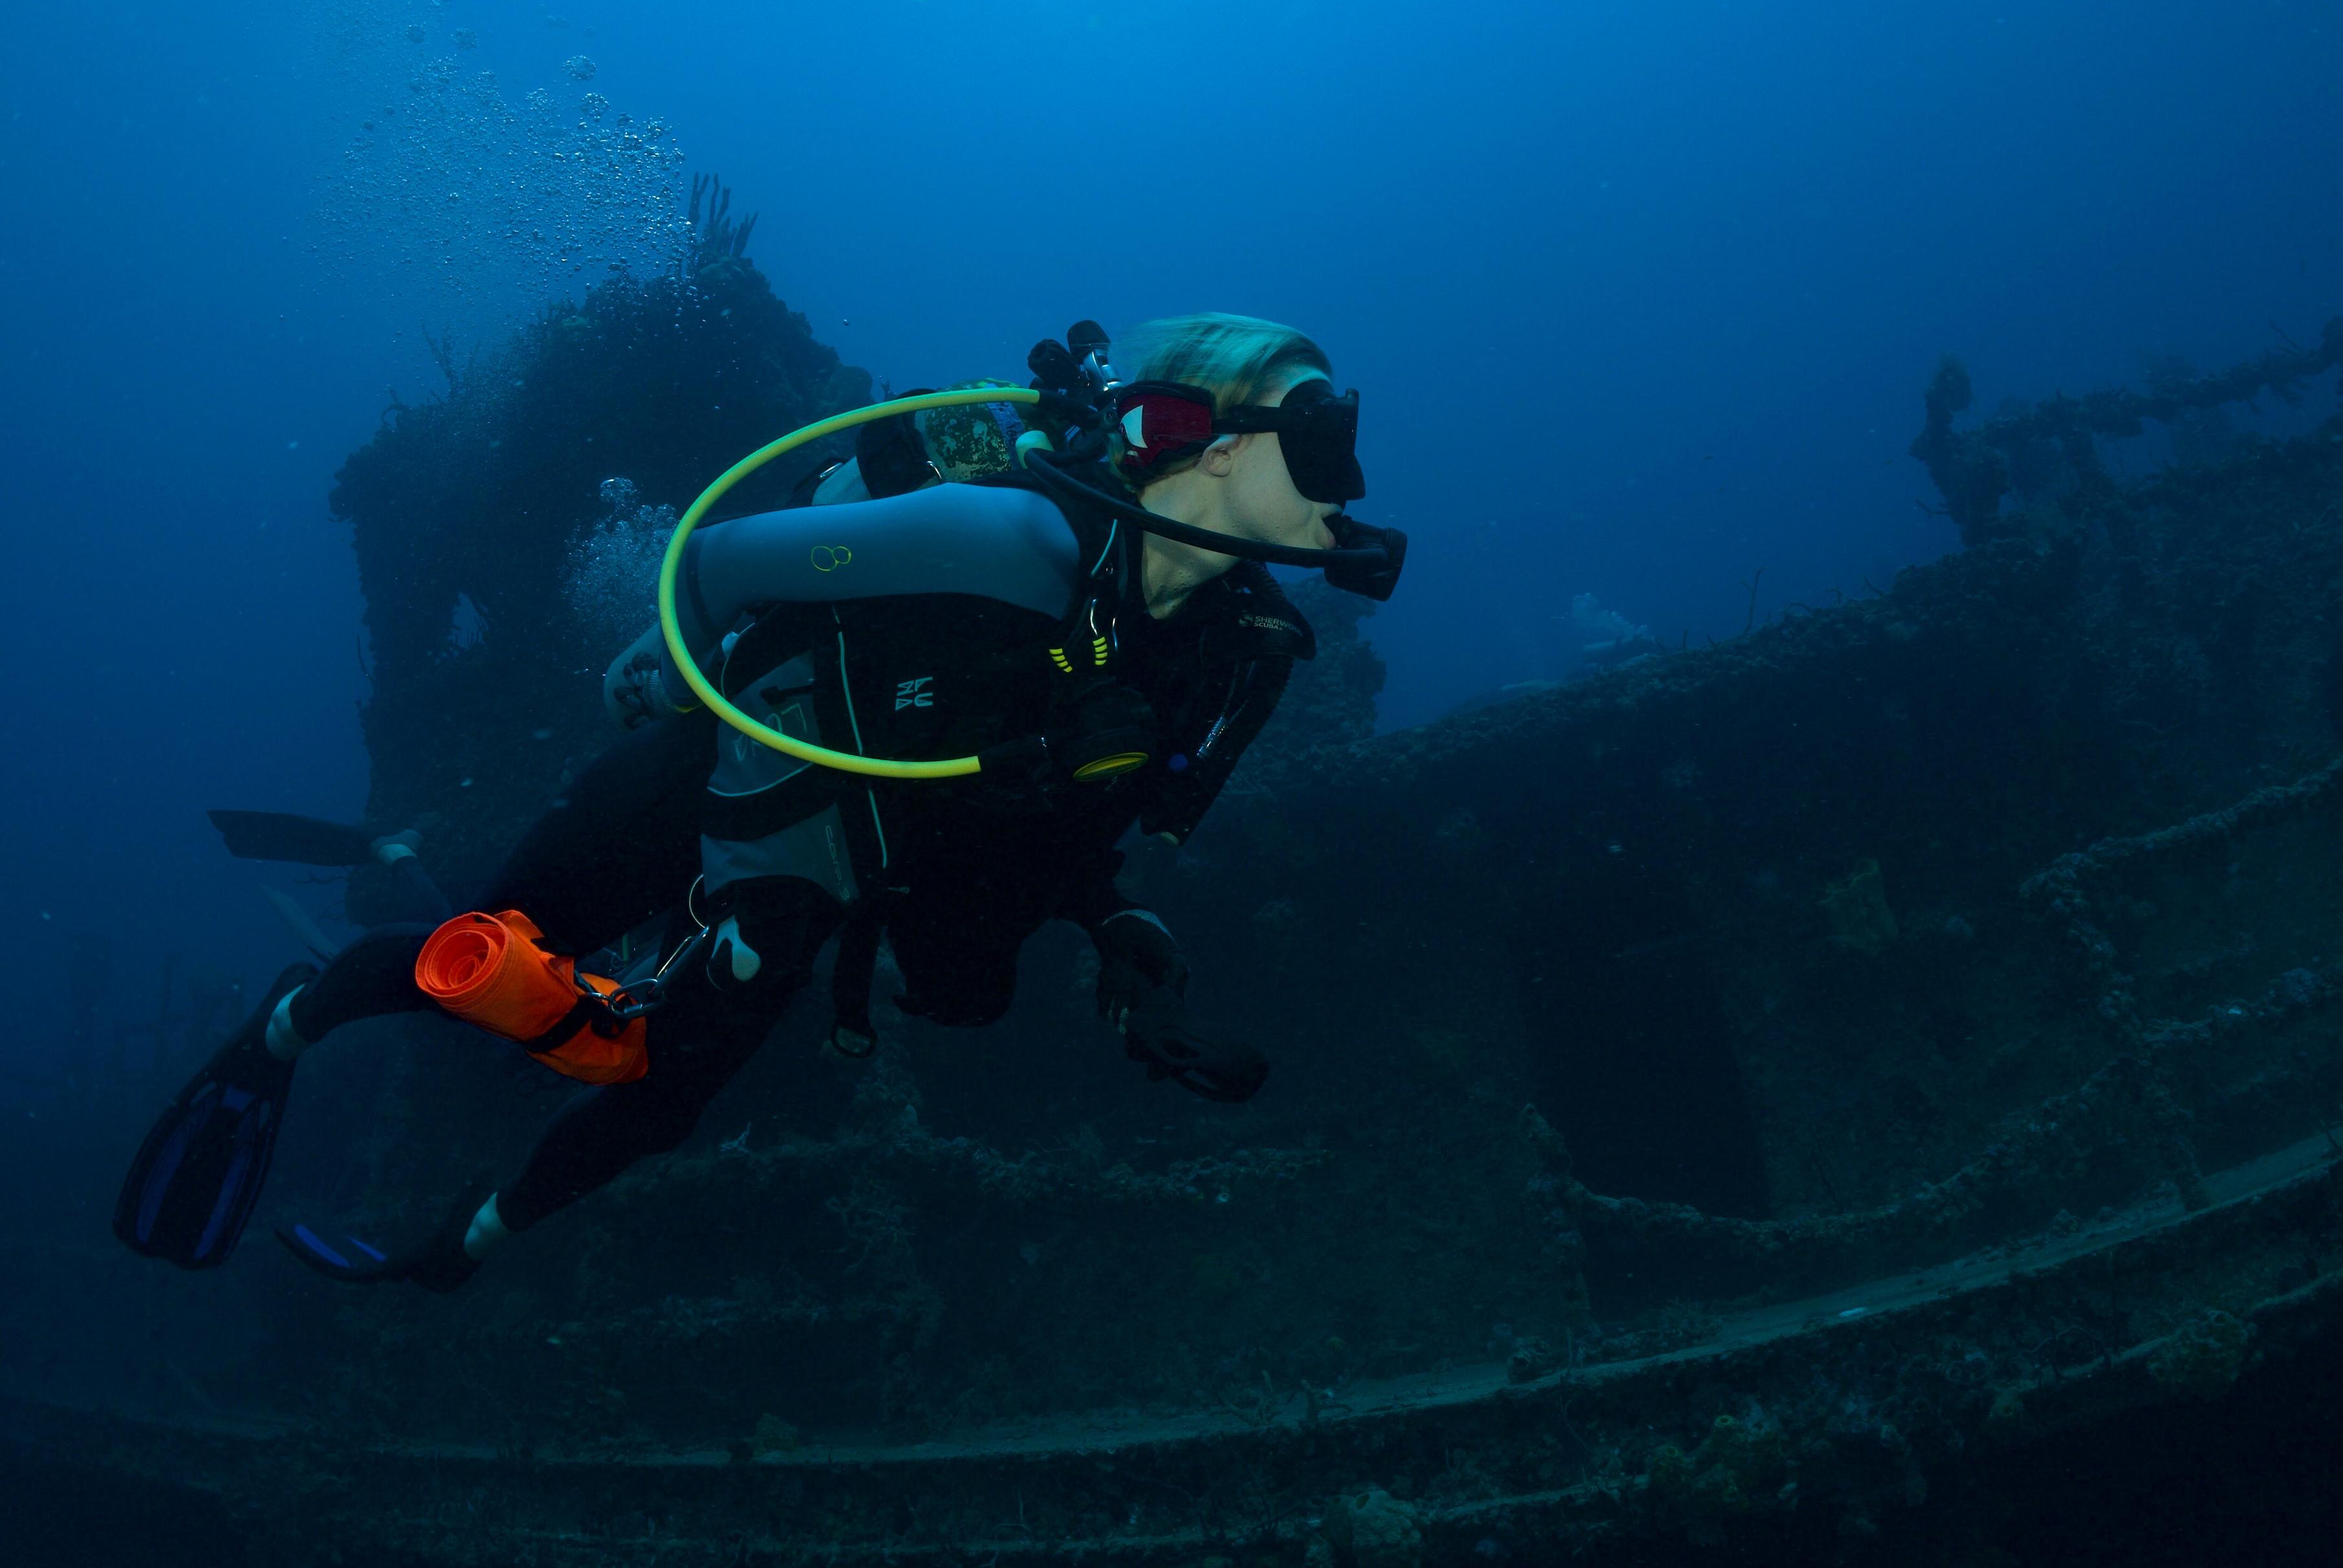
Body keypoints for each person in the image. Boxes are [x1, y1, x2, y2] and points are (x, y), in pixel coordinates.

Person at [114, 314, 1405, 1291]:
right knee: (504, 959)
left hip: (833, 862)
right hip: (716, 776)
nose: (1349, 479)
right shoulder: (1010, 541)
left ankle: (457, 1249)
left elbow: (1064, 813)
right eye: (1324, 432)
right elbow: (722, 563)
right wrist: (672, 673)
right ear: (1216, 444)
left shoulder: (1238, 646)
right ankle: (291, 1023)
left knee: (660, 1097)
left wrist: (1115, 924)